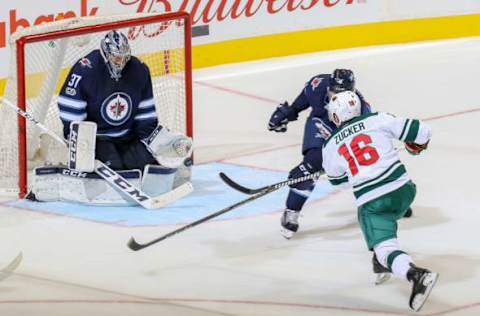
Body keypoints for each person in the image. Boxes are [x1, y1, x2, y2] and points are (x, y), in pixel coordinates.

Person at [321, 91, 438, 312]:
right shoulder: (378, 118)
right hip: (404, 191)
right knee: (388, 215)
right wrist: (416, 146)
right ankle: (379, 260)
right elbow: (423, 131)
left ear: (335, 116)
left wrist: (350, 168)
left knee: (385, 248)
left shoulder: (330, 146)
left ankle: (415, 275)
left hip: (374, 204)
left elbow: (339, 182)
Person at [268, 69, 374, 238]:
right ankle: (292, 211)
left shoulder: (361, 108)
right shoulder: (318, 85)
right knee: (310, 166)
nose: (335, 97)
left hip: (344, 133)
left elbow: (367, 140)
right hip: (320, 123)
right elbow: (301, 101)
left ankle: (387, 199)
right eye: (333, 91)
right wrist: (287, 114)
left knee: (365, 169)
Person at [57, 29, 172, 171]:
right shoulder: (85, 69)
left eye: (124, 57)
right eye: (116, 57)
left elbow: (145, 113)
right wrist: (79, 143)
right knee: (115, 168)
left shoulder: (139, 70)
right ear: (106, 54)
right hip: (97, 138)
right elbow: (70, 107)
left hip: (127, 136)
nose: (121, 62)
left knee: (145, 165)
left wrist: (150, 139)